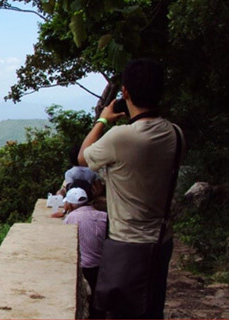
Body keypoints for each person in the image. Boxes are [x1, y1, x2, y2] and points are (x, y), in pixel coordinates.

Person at [77, 59, 185, 319]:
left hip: (127, 244)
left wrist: (103, 119)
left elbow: (82, 157)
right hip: (161, 241)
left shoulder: (122, 136)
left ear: (125, 92)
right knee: (151, 309)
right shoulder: (176, 134)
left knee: (122, 313)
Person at [61, 187, 107, 319]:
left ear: (70, 204)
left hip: (85, 268)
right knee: (98, 303)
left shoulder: (71, 218)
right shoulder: (104, 216)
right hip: (102, 267)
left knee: (86, 299)